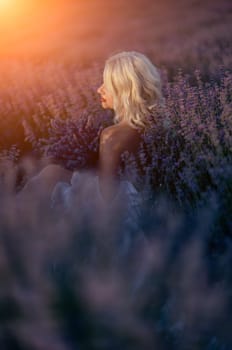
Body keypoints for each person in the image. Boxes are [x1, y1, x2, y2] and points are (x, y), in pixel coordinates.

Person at [19, 51, 164, 221]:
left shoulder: (112, 136)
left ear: (123, 88)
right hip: (143, 202)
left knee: (50, 175)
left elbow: (106, 195)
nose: (99, 89)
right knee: (55, 172)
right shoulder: (159, 124)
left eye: (107, 84)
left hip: (115, 211)